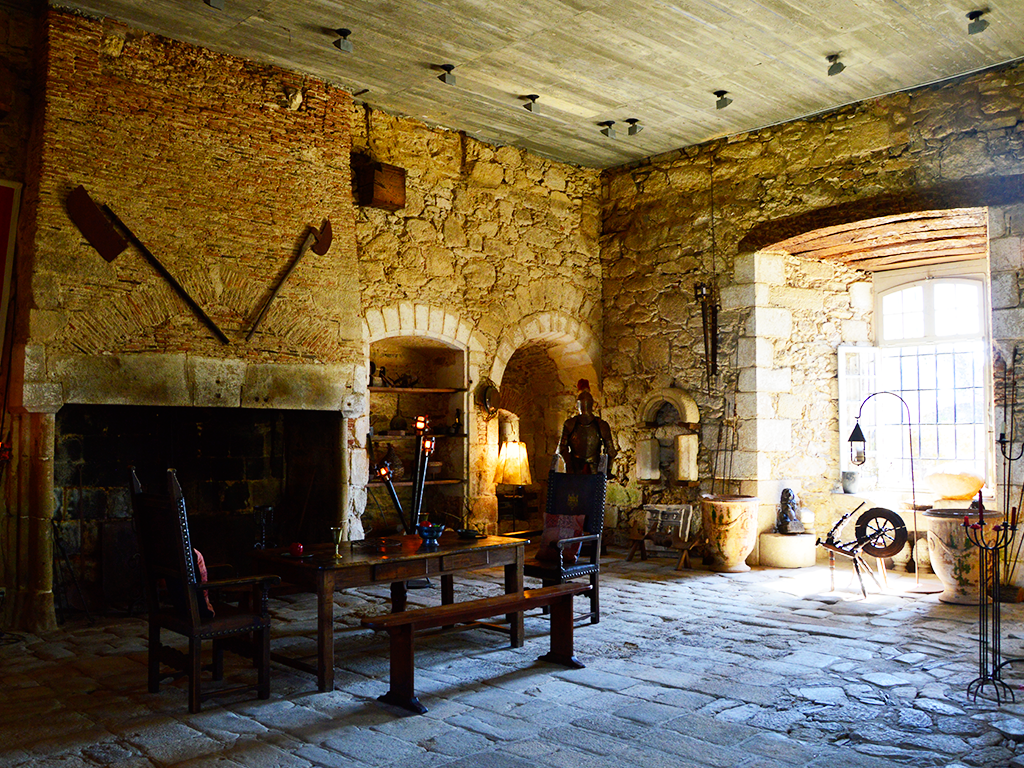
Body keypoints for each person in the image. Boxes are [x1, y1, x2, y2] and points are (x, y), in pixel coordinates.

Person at [558, 379, 617, 476]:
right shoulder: (601, 424)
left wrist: (569, 464)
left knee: (575, 491)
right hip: (592, 468)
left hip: (576, 468)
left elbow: (562, 448)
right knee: (593, 490)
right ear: (592, 404)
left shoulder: (570, 423)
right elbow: (611, 452)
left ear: (577, 405)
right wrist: (608, 470)